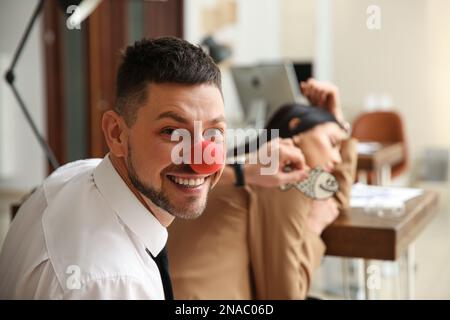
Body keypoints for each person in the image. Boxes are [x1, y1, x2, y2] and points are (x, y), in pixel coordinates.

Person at [0, 37, 308, 300]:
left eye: (213, 134)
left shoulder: (74, 175)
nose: (203, 159)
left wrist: (246, 171)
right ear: (117, 134)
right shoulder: (115, 283)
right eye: (172, 133)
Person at [167, 79, 358, 299]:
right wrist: (313, 227)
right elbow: (285, 295)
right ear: (296, 126)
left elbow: (331, 200)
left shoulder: (249, 163)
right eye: (334, 142)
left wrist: (338, 121)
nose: (336, 157)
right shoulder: (284, 176)